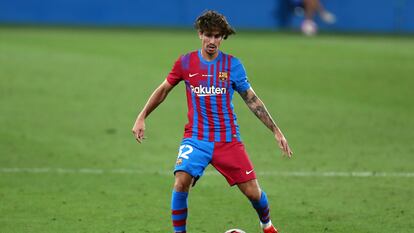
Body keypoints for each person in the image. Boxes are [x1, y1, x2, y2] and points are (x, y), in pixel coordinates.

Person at [132, 10, 293, 233]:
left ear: (223, 37)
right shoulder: (186, 63)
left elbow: (252, 101)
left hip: (228, 140)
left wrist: (276, 130)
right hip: (196, 138)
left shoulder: (233, 66)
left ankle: (267, 225)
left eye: (217, 36)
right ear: (200, 34)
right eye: (208, 35)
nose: (212, 41)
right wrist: (142, 117)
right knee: (180, 181)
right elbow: (163, 90)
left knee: (253, 193)